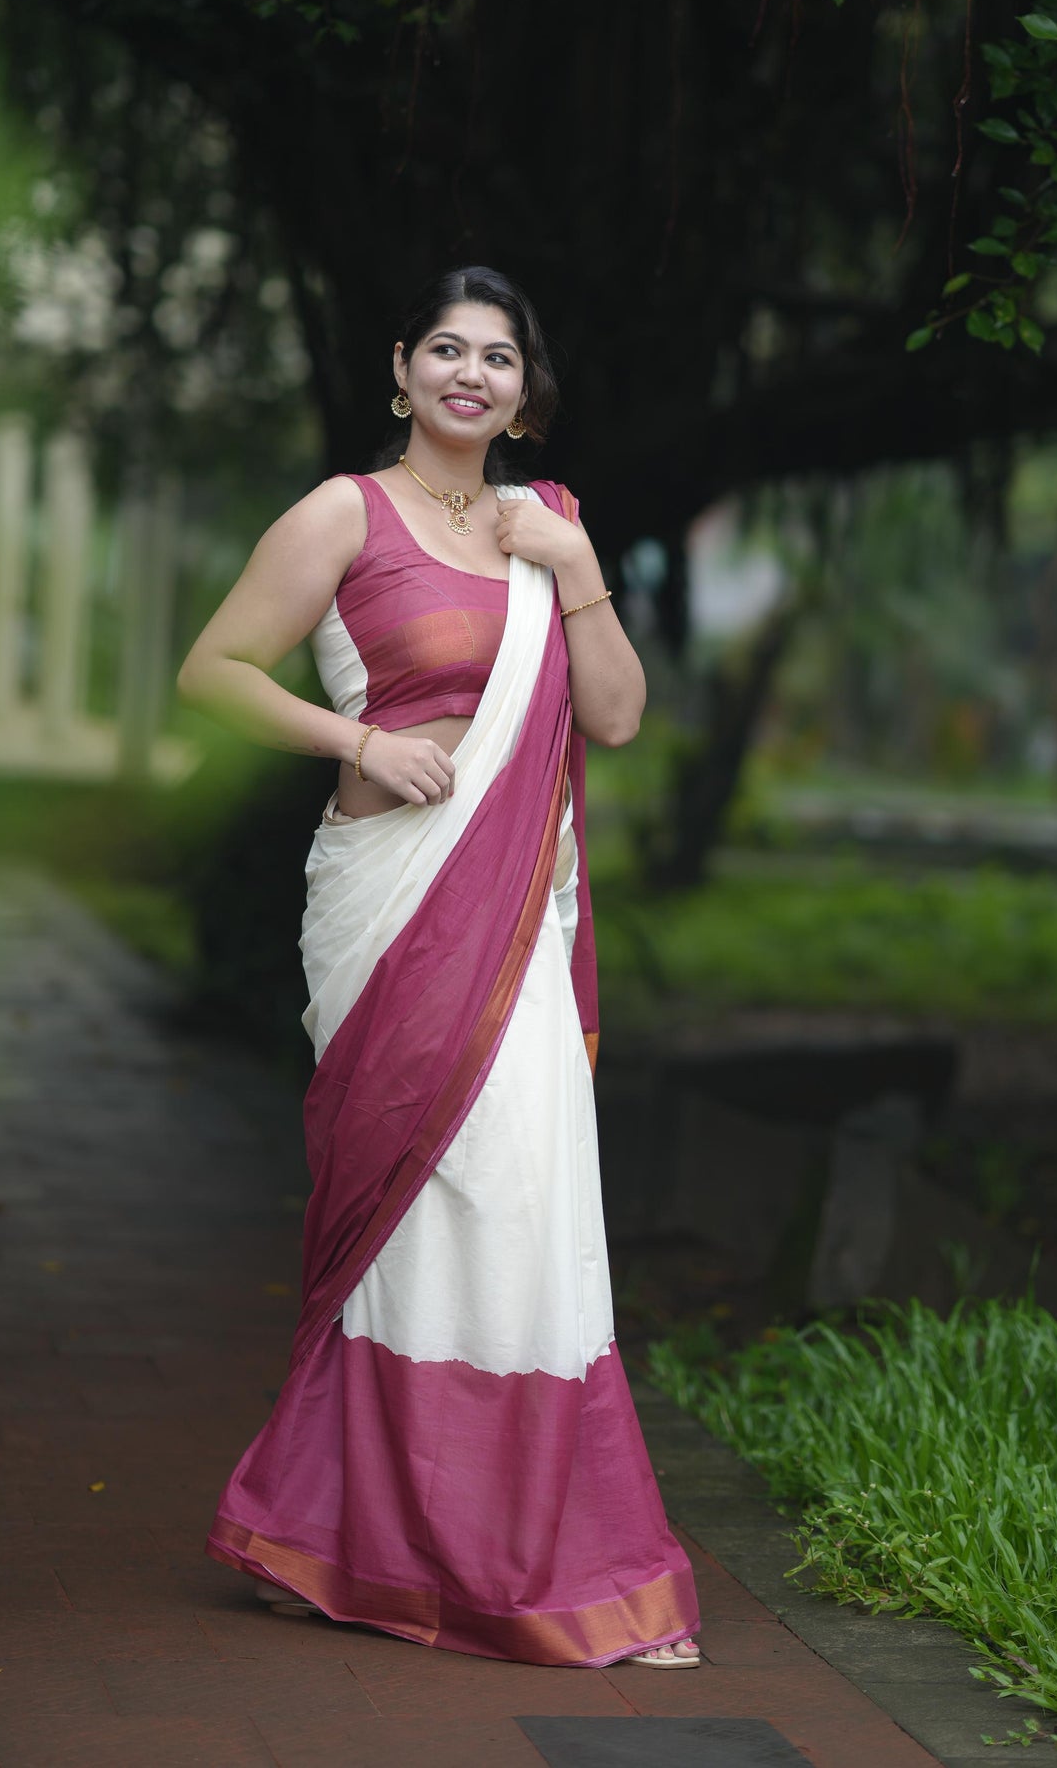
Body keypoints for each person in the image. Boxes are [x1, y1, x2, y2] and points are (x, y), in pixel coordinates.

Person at [178, 264, 701, 1669]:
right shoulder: (344, 515)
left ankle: (542, 1553)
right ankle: (353, 1536)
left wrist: (577, 571)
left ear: (525, 393)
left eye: (500, 358)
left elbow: (620, 717)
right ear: (400, 370)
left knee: (522, 1211)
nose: (472, 375)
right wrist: (357, 741)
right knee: (407, 1218)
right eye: (447, 351)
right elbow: (214, 669)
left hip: (515, 927)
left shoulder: (553, 531)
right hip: (385, 908)